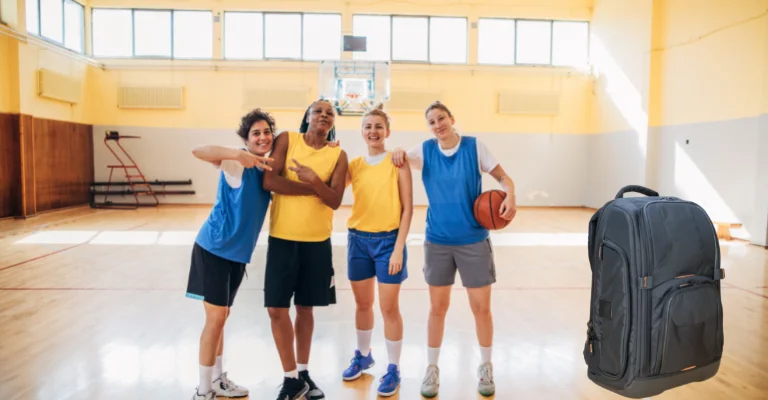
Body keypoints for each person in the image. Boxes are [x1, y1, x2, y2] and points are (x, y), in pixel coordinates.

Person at [392, 101, 517, 398]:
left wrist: (511, 193)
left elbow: (503, 177)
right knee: (437, 309)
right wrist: (397, 151)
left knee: (481, 309)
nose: (438, 125)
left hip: (473, 240)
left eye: (441, 118)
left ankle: (486, 366)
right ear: (429, 127)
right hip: (438, 241)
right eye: (432, 122)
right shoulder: (424, 150)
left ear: (452, 119)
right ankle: (432, 369)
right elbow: (397, 158)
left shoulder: (474, 147)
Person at [262, 99, 349, 400]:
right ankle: (290, 379)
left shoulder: (339, 155)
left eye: (329, 113)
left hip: (317, 242)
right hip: (283, 239)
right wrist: (315, 188)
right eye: (318, 111)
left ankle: (302, 373)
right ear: (308, 117)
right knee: (276, 309)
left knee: (305, 308)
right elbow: (270, 181)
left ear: (333, 122)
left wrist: (315, 181)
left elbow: (336, 200)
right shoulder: (287, 139)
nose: (323, 116)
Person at [186, 109, 275, 400]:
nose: (262, 137)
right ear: (246, 139)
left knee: (222, 317)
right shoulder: (236, 164)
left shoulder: (268, 169)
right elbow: (199, 150)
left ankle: (218, 379)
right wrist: (238, 155)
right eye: (255, 133)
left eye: (266, 132)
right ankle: (203, 390)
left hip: (236, 255)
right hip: (213, 248)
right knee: (215, 319)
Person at [341, 104, 413, 397]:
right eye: (368, 126)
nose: (373, 131)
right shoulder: (355, 165)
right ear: (361, 131)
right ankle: (363, 354)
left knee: (389, 308)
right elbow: (331, 187)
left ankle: (394, 367)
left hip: (388, 243)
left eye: (378, 127)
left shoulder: (398, 161)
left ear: (388, 132)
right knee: (362, 305)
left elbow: (408, 208)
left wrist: (398, 249)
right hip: (357, 240)